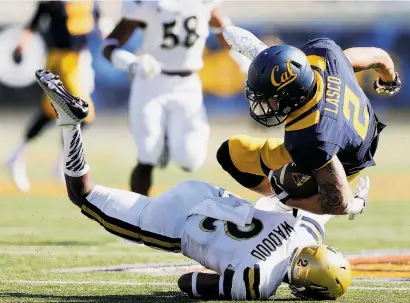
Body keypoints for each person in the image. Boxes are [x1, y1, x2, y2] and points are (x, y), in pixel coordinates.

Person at [34, 69, 357, 301]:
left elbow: (325, 199)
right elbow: (187, 282)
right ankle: (70, 124)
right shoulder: (257, 283)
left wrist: (354, 200)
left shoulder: (311, 230)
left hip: (206, 194)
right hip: (175, 224)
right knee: (84, 195)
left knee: (282, 191)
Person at [216, 26, 401, 218]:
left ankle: (281, 203)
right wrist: (389, 80)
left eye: (270, 98)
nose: (264, 104)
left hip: (343, 161)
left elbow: (338, 203)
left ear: (291, 95)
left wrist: (287, 199)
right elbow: (381, 57)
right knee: (234, 152)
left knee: (279, 178)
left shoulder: (312, 138)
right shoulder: (324, 56)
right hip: (354, 128)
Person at [101, 0, 244, 196]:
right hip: (151, 83)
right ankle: (136, 215)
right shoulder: (145, 4)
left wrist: (241, 56)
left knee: (190, 159)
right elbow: (109, 45)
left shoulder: (203, 3)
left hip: (187, 85)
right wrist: (131, 63)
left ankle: (167, 138)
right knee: (147, 154)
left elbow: (224, 32)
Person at [5, 0, 98, 192]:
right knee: (82, 114)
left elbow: (97, 20)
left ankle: (20, 157)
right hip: (62, 60)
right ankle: (60, 165)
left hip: (80, 59)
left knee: (52, 113)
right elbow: (35, 21)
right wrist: (22, 44)